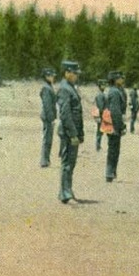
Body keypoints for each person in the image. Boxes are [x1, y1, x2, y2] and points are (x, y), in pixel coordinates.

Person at [56, 60, 84, 204]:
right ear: (67, 72)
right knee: (67, 163)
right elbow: (65, 114)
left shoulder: (71, 87)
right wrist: (73, 134)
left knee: (71, 163)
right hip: (68, 132)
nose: (76, 76)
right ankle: (64, 192)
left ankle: (67, 189)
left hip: (73, 131)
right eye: (74, 74)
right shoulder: (65, 89)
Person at [104, 70, 127, 182]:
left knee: (114, 149)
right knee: (113, 149)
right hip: (113, 124)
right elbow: (115, 111)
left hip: (113, 123)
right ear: (115, 80)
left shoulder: (116, 91)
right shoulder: (115, 92)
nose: (122, 79)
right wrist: (121, 126)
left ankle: (112, 171)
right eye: (120, 78)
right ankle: (110, 172)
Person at [39, 68, 57, 167]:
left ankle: (46, 159)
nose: (53, 77)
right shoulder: (46, 88)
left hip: (48, 116)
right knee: (47, 139)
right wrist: (51, 119)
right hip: (47, 117)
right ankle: (44, 160)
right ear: (46, 76)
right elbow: (47, 105)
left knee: (48, 138)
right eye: (51, 76)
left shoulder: (48, 86)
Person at [93, 80, 107, 152]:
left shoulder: (101, 94)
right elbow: (101, 107)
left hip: (101, 114)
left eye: (104, 85)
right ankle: (97, 146)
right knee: (99, 131)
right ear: (100, 86)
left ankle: (98, 146)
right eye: (102, 85)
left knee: (100, 131)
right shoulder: (100, 95)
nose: (104, 86)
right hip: (101, 114)